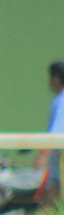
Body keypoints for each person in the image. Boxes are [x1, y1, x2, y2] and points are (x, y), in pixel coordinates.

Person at [34, 60, 64, 207]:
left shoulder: (61, 101)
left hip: (59, 161)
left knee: (49, 202)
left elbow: (56, 134)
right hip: (56, 163)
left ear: (55, 79)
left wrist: (43, 157)